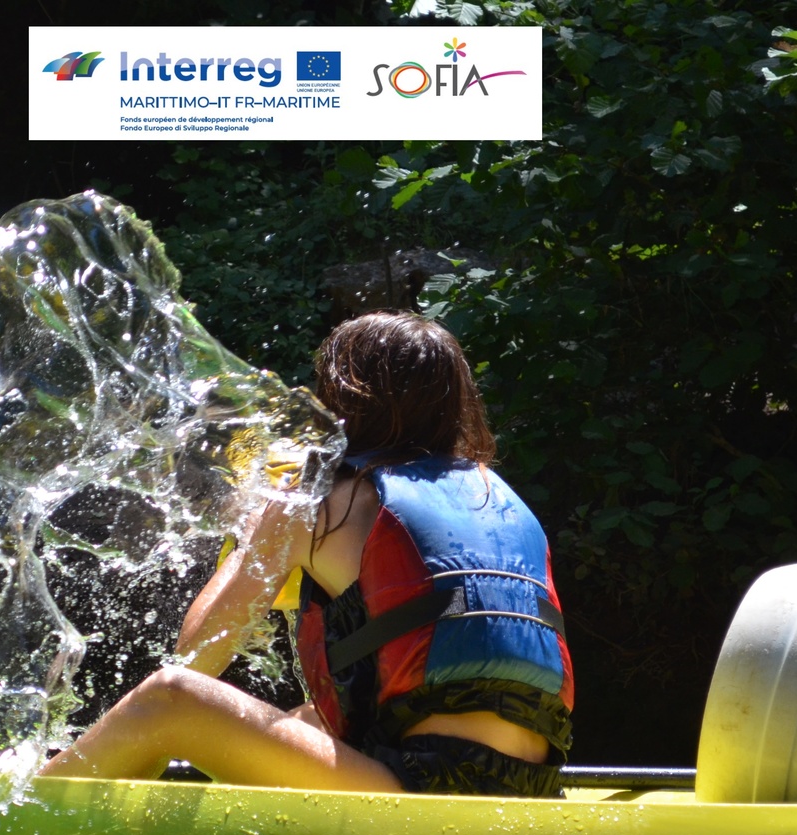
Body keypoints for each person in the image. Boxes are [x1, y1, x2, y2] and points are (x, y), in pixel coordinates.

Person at [41, 311, 573, 797]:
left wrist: (256, 531)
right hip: (531, 778)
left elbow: (197, 655)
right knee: (307, 719)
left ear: (342, 399)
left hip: (424, 783)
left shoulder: (315, 500)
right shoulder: (499, 497)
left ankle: (17, 823)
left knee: (170, 698)